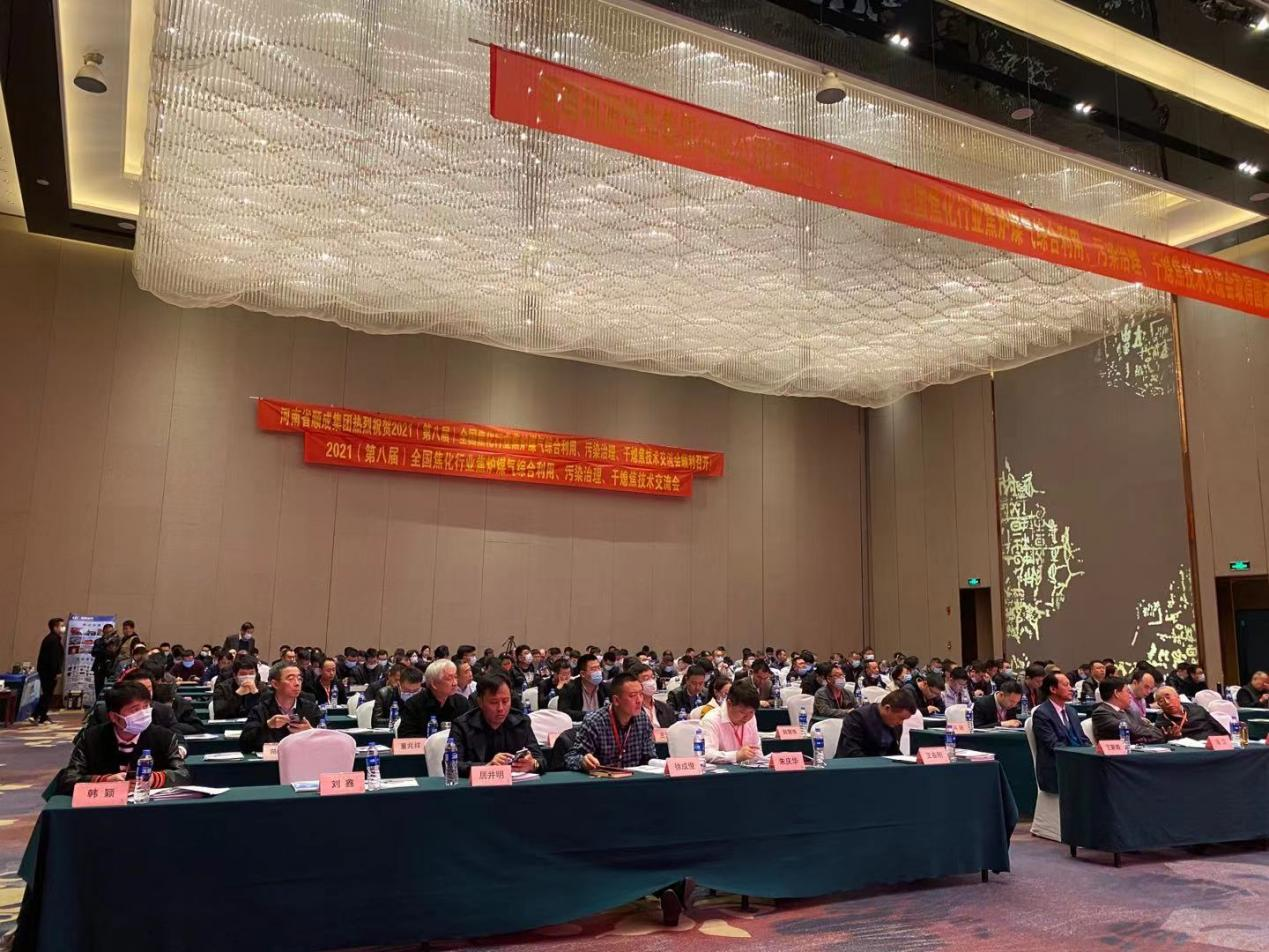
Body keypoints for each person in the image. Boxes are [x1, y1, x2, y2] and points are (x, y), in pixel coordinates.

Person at [59, 680, 190, 794]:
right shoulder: (91, 738)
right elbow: (68, 779)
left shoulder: (164, 737)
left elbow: (183, 775)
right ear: (114, 717)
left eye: (146, 706)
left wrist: (154, 779)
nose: (143, 713)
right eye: (135, 709)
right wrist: (104, 780)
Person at [448, 674, 545, 777]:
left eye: (505, 701)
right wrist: (486, 767)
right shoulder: (462, 725)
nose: (501, 708)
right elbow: (451, 765)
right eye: (494, 702)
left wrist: (533, 764)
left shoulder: (521, 722)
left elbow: (541, 760)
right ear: (480, 702)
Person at [565, 673, 655, 771]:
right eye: (632, 696)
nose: (639, 700)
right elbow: (571, 758)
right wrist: (583, 761)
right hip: (603, 778)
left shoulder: (643, 719)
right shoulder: (595, 722)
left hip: (634, 777)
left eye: (641, 694)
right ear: (616, 700)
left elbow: (649, 757)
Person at [240, 661, 322, 753]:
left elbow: (326, 742)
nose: (297, 683)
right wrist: (268, 726)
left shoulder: (311, 708)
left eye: (299, 679)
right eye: (291, 679)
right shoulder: (260, 710)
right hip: (271, 760)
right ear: (275, 684)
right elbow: (245, 745)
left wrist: (310, 731)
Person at [1029, 672, 1090, 795]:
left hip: (1077, 762)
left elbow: (1082, 739)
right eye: (1066, 685)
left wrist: (1092, 751)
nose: (1071, 689)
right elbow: (1054, 746)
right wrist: (1080, 756)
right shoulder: (1042, 713)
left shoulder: (1071, 711)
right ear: (1053, 689)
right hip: (1057, 768)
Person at [397, 659, 471, 737]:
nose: (455, 683)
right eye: (449, 679)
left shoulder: (462, 702)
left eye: (455, 677)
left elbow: (469, 733)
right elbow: (406, 736)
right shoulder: (414, 704)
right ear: (434, 684)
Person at [834, 690, 915, 758]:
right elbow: (851, 753)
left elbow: (894, 752)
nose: (901, 723)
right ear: (887, 708)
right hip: (853, 767)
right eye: (901, 718)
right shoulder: (857, 718)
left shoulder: (893, 723)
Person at [701, 679, 761, 764]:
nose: (747, 717)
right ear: (729, 704)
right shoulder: (711, 720)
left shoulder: (751, 718)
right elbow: (706, 754)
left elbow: (757, 750)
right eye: (742, 712)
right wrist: (736, 756)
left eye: (751, 712)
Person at [1090, 676, 1166, 744]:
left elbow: (1156, 732)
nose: (1130, 696)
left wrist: (1144, 737)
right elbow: (1130, 730)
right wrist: (1147, 736)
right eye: (1128, 692)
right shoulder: (1101, 713)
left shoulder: (1130, 712)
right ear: (1117, 693)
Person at [1155, 685, 1229, 741]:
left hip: (1214, 742)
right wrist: (1171, 738)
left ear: (1178, 697)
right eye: (1161, 701)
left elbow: (1221, 730)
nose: (1167, 702)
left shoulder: (1198, 709)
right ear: (1159, 705)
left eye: (1168, 697)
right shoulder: (1162, 723)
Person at [557, 654, 610, 722]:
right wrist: (591, 715)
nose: (598, 672)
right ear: (582, 674)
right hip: (578, 725)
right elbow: (563, 712)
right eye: (593, 669)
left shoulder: (606, 687)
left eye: (599, 668)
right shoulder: (569, 688)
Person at [33, 617, 65, 724]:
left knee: (48, 694)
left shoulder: (52, 638)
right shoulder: (53, 640)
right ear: (55, 627)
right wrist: (57, 671)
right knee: (47, 694)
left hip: (45, 670)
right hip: (49, 672)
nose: (63, 628)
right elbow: (53, 658)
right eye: (61, 626)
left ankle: (43, 716)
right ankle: (35, 714)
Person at [630, 662, 676, 728]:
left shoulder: (665, 708)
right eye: (646, 678)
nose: (651, 682)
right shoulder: (631, 710)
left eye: (652, 677)